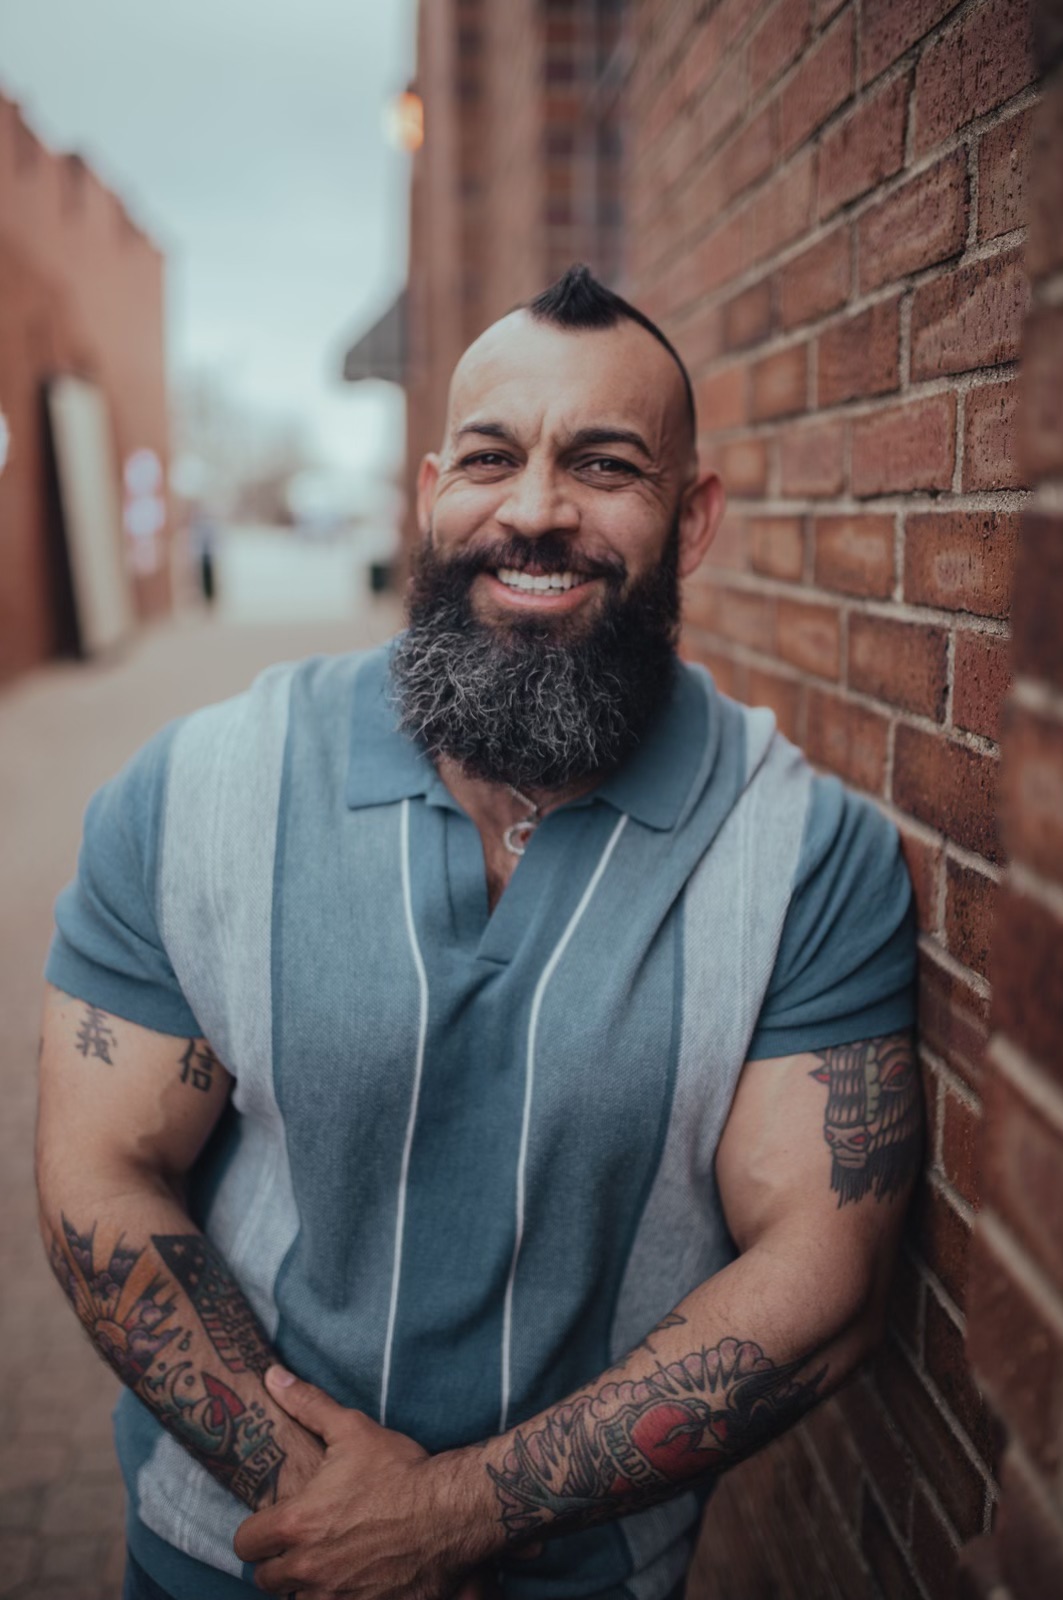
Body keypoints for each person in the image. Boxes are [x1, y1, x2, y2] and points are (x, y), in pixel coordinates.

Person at [37, 265, 921, 1600]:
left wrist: (451, 1518)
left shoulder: (808, 858)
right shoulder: (199, 794)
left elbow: (824, 1277)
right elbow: (98, 1170)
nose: (535, 511)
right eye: (492, 459)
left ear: (693, 520)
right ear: (431, 491)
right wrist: (333, 1514)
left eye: (605, 465)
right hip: (233, 1562)